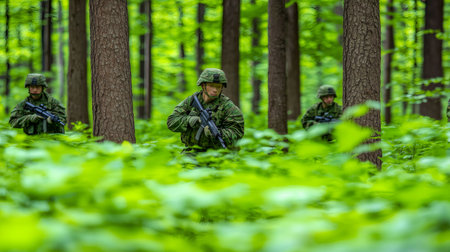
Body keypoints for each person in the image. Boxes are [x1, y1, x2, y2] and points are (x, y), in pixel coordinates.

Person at [167, 68, 244, 151]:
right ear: (203, 85)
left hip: (218, 153)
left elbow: (237, 133)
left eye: (218, 87)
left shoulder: (229, 107)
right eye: (211, 86)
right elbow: (171, 122)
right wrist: (190, 120)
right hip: (192, 151)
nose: (215, 90)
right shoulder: (191, 101)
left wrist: (218, 133)